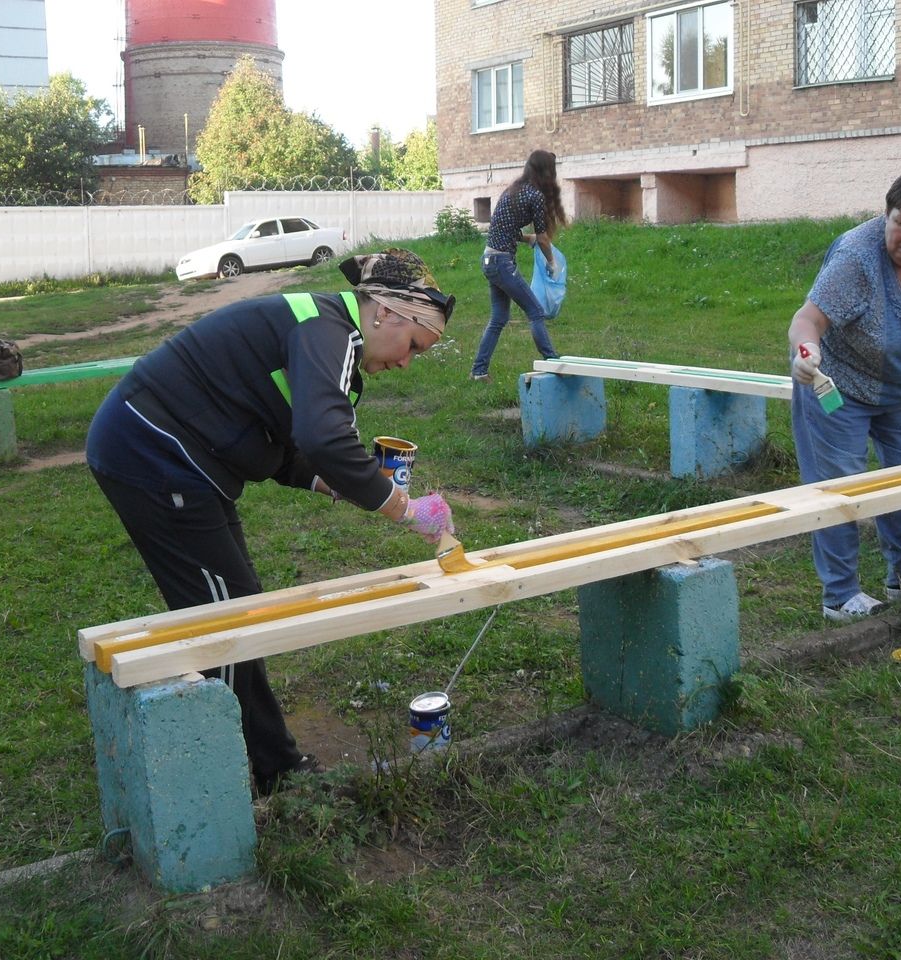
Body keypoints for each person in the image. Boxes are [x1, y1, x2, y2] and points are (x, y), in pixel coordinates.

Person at [86, 248, 457, 794]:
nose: (405, 363)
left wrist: (330, 480)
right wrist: (406, 511)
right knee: (227, 618)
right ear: (386, 313)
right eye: (413, 347)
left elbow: (283, 439)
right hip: (152, 454)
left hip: (178, 456)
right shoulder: (328, 333)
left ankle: (262, 759)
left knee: (235, 603)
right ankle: (257, 770)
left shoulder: (324, 329)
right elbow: (323, 436)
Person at [788, 165, 901, 623]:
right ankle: (840, 596)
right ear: (886, 214)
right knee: (841, 489)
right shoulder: (857, 258)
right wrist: (807, 354)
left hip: (900, 391)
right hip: (836, 389)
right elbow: (807, 321)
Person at [469, 149, 565, 381]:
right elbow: (543, 238)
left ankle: (479, 371)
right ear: (547, 172)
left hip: (489, 259)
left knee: (499, 318)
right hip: (502, 263)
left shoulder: (512, 190)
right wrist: (552, 263)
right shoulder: (535, 196)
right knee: (535, 311)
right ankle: (552, 362)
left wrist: (524, 238)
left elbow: (501, 227)